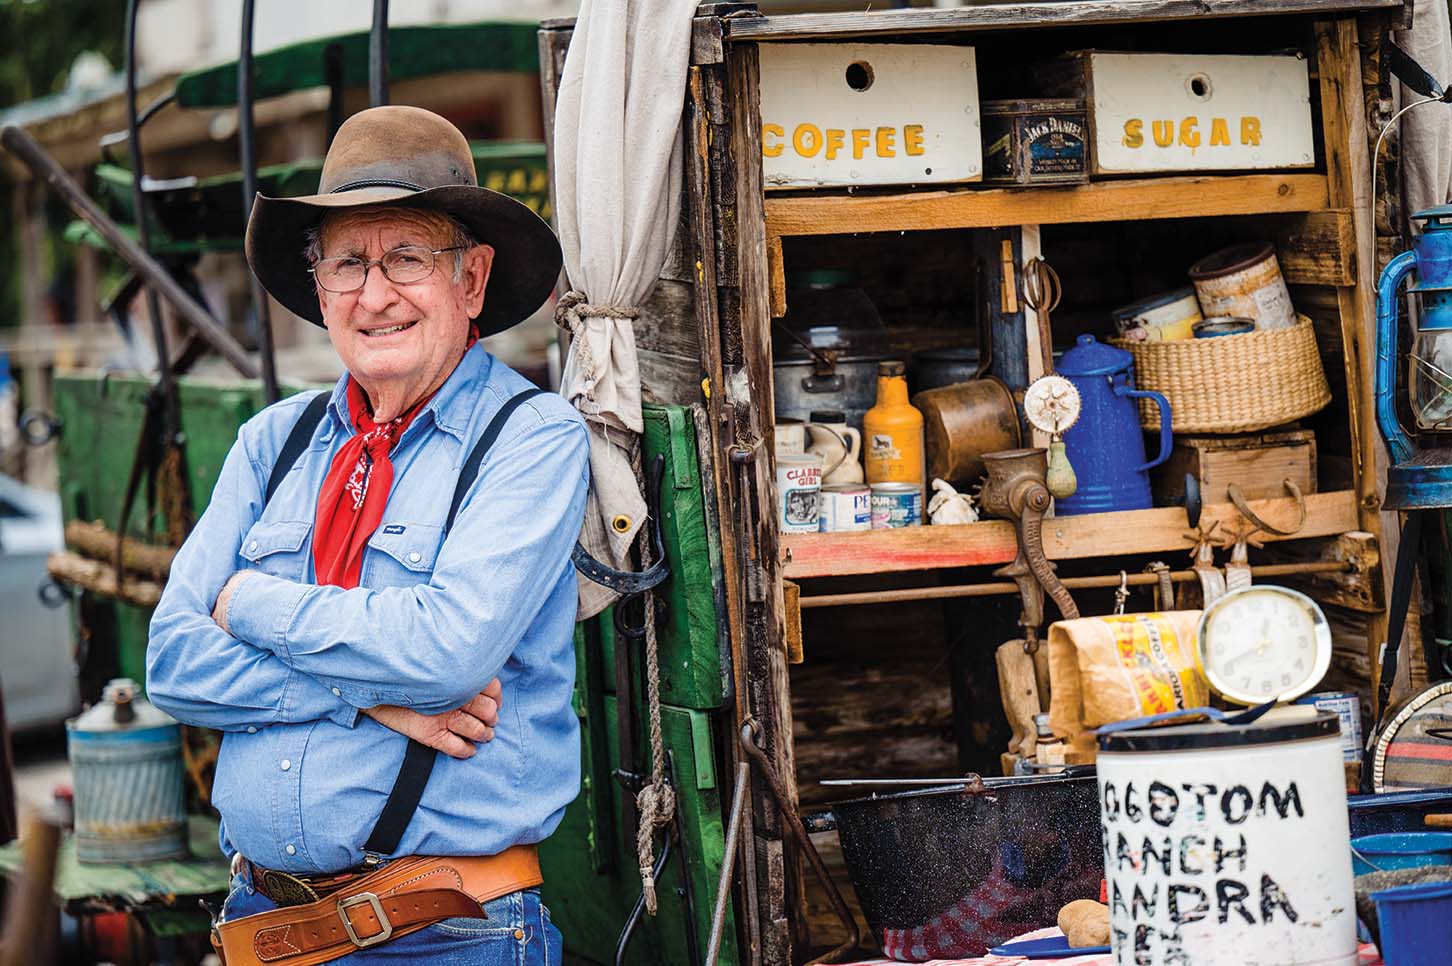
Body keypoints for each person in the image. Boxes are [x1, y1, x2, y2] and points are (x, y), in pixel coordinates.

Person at [146, 105, 587, 966]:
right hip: (262, 926)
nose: (374, 295)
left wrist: (247, 601)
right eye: (348, 263)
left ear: (472, 280)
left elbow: (445, 657)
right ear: (319, 289)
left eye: (406, 259)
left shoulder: (532, 438)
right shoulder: (271, 442)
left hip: (449, 933)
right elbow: (170, 661)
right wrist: (369, 696)